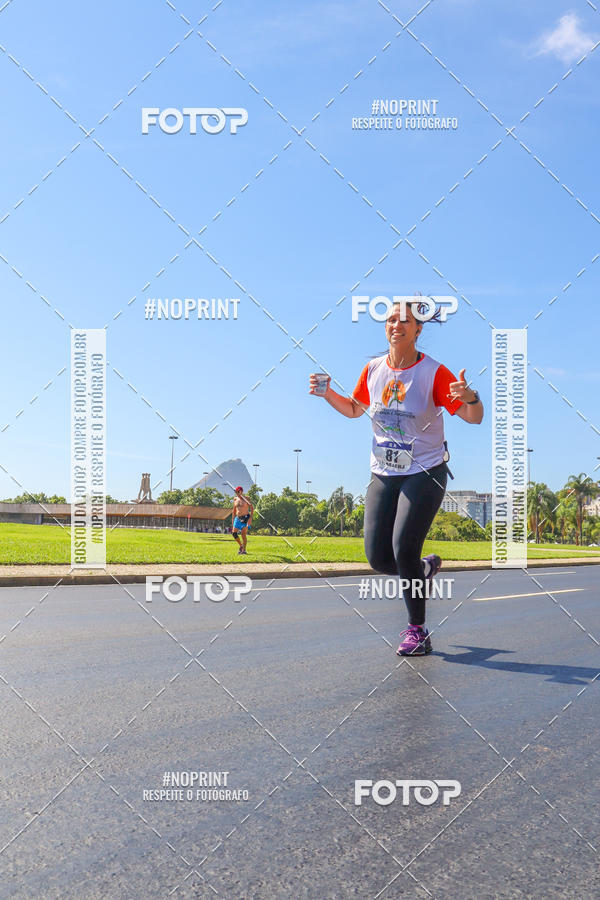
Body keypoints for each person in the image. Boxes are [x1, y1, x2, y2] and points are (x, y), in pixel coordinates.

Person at [309, 299, 483, 655]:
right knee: (378, 557)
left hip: (426, 471)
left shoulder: (434, 373)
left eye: (404, 320)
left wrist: (471, 397)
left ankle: (417, 630)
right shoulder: (373, 369)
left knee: (404, 547)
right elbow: (354, 408)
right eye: (390, 319)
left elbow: (473, 417)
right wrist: (327, 394)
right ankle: (423, 569)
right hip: (384, 472)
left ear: (418, 329)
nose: (396, 325)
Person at [231, 486, 253, 555]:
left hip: (245, 518)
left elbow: (252, 508)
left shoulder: (246, 499)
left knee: (243, 535)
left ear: (241, 491)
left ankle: (244, 550)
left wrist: (250, 518)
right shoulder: (235, 499)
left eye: (238, 491)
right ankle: (241, 545)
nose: (237, 493)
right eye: (236, 492)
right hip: (237, 518)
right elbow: (234, 510)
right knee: (234, 533)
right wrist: (233, 519)